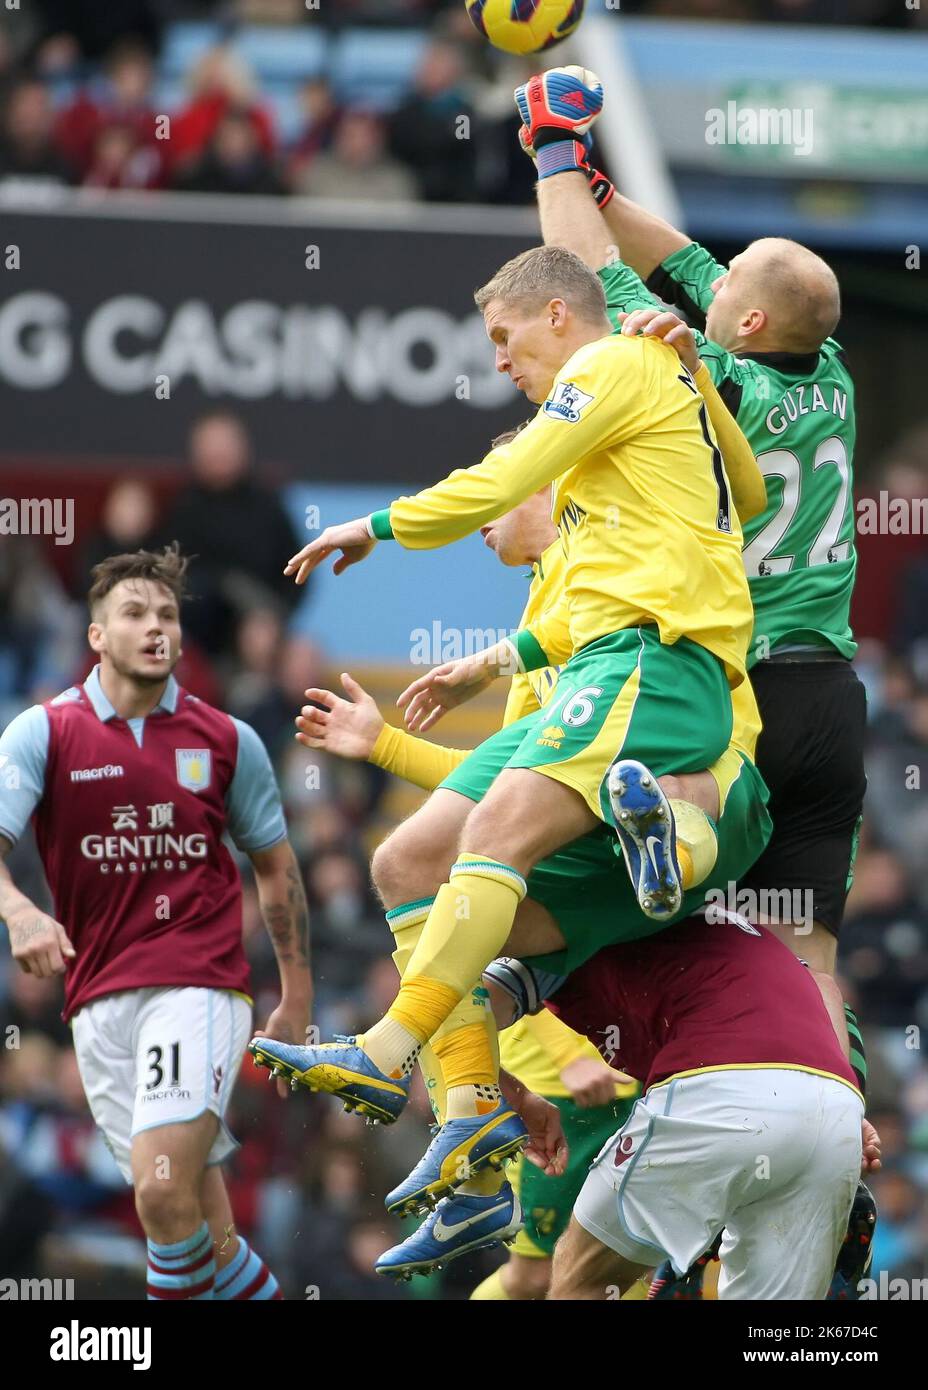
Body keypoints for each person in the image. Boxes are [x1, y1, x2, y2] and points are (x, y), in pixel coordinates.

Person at [511, 62, 872, 1296]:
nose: (701, 293)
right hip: (838, 698)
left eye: (725, 297)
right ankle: (846, 1120)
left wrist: (555, 155)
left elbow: (582, 295)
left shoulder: (707, 377)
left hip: (747, 684)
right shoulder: (826, 376)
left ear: (745, 333)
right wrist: (609, 187)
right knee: (807, 947)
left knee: (617, 889)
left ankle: (528, 1076)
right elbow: (697, 264)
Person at [0, 545, 311, 1300]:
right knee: (208, 1235)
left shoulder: (228, 740)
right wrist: (19, 911)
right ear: (96, 636)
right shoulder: (42, 734)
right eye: (134, 614)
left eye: (167, 615)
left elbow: (277, 870)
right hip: (98, 1002)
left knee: (160, 1196)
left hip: (197, 986)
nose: (156, 628)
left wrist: (296, 994)